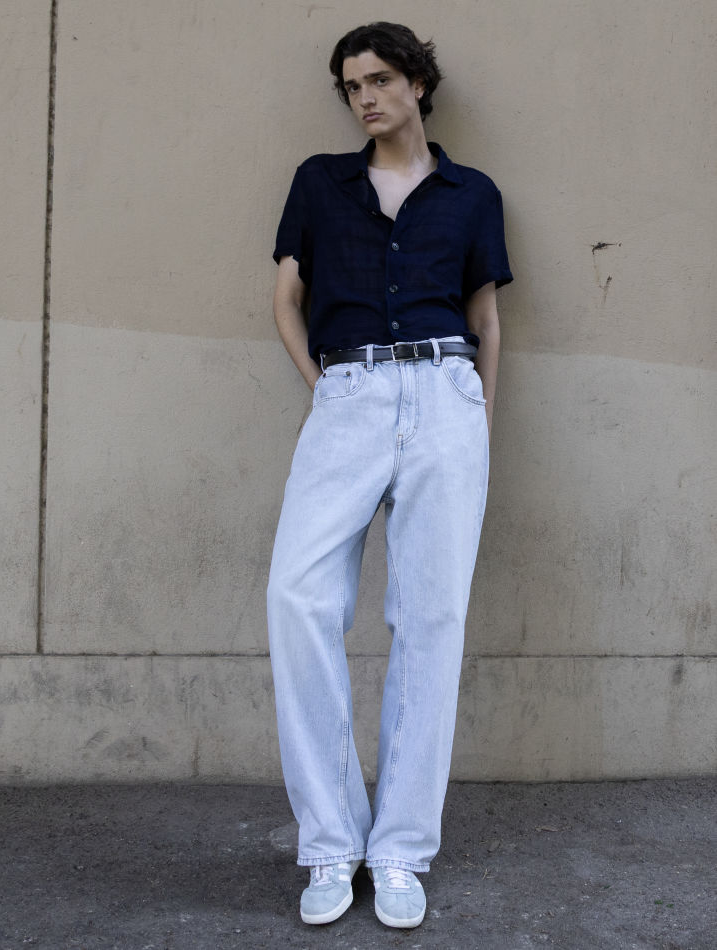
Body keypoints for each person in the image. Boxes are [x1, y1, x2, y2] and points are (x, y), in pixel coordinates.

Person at [267, 21, 513, 929]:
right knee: (297, 598)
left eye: (378, 80)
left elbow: (486, 320)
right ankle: (331, 842)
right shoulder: (319, 182)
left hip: (447, 396)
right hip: (350, 392)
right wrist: (325, 389)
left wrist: (477, 423)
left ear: (417, 83)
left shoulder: (472, 194)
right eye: (351, 86)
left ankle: (401, 851)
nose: (364, 98)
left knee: (431, 620)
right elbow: (286, 301)